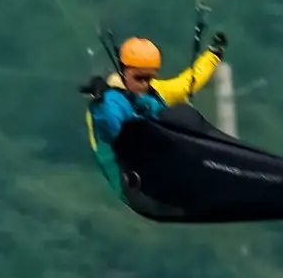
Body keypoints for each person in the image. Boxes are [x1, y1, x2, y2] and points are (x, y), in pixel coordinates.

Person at [83, 24, 225, 198]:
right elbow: (116, 130)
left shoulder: (155, 91)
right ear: (123, 71)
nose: (144, 84)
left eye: (149, 78)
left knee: (182, 114)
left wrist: (213, 55)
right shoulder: (110, 101)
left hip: (157, 168)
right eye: (139, 78)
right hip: (129, 181)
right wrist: (100, 100)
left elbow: (187, 84)